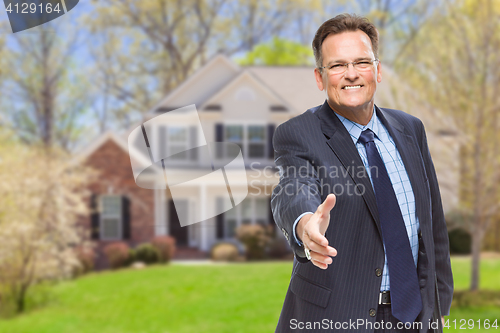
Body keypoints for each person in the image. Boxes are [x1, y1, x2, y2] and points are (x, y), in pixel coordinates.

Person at [271, 14, 453, 333]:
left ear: (377, 70)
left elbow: (432, 222)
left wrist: (438, 305)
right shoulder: (299, 133)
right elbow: (293, 187)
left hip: (413, 317)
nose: (351, 74)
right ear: (320, 77)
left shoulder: (411, 129)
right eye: (338, 65)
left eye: (362, 62)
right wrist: (305, 224)